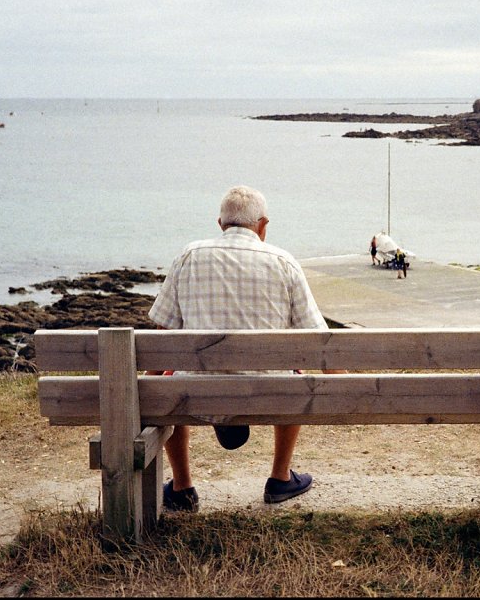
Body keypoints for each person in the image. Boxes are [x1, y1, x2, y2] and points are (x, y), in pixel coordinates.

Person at [147, 185, 345, 512]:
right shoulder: (284, 262)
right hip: (271, 392)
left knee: (169, 378)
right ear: (263, 225)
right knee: (295, 372)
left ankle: (182, 487)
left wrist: (147, 389)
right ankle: (280, 478)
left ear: (221, 223)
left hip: (195, 393)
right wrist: (345, 383)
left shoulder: (189, 256)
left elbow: (161, 336)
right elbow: (316, 340)